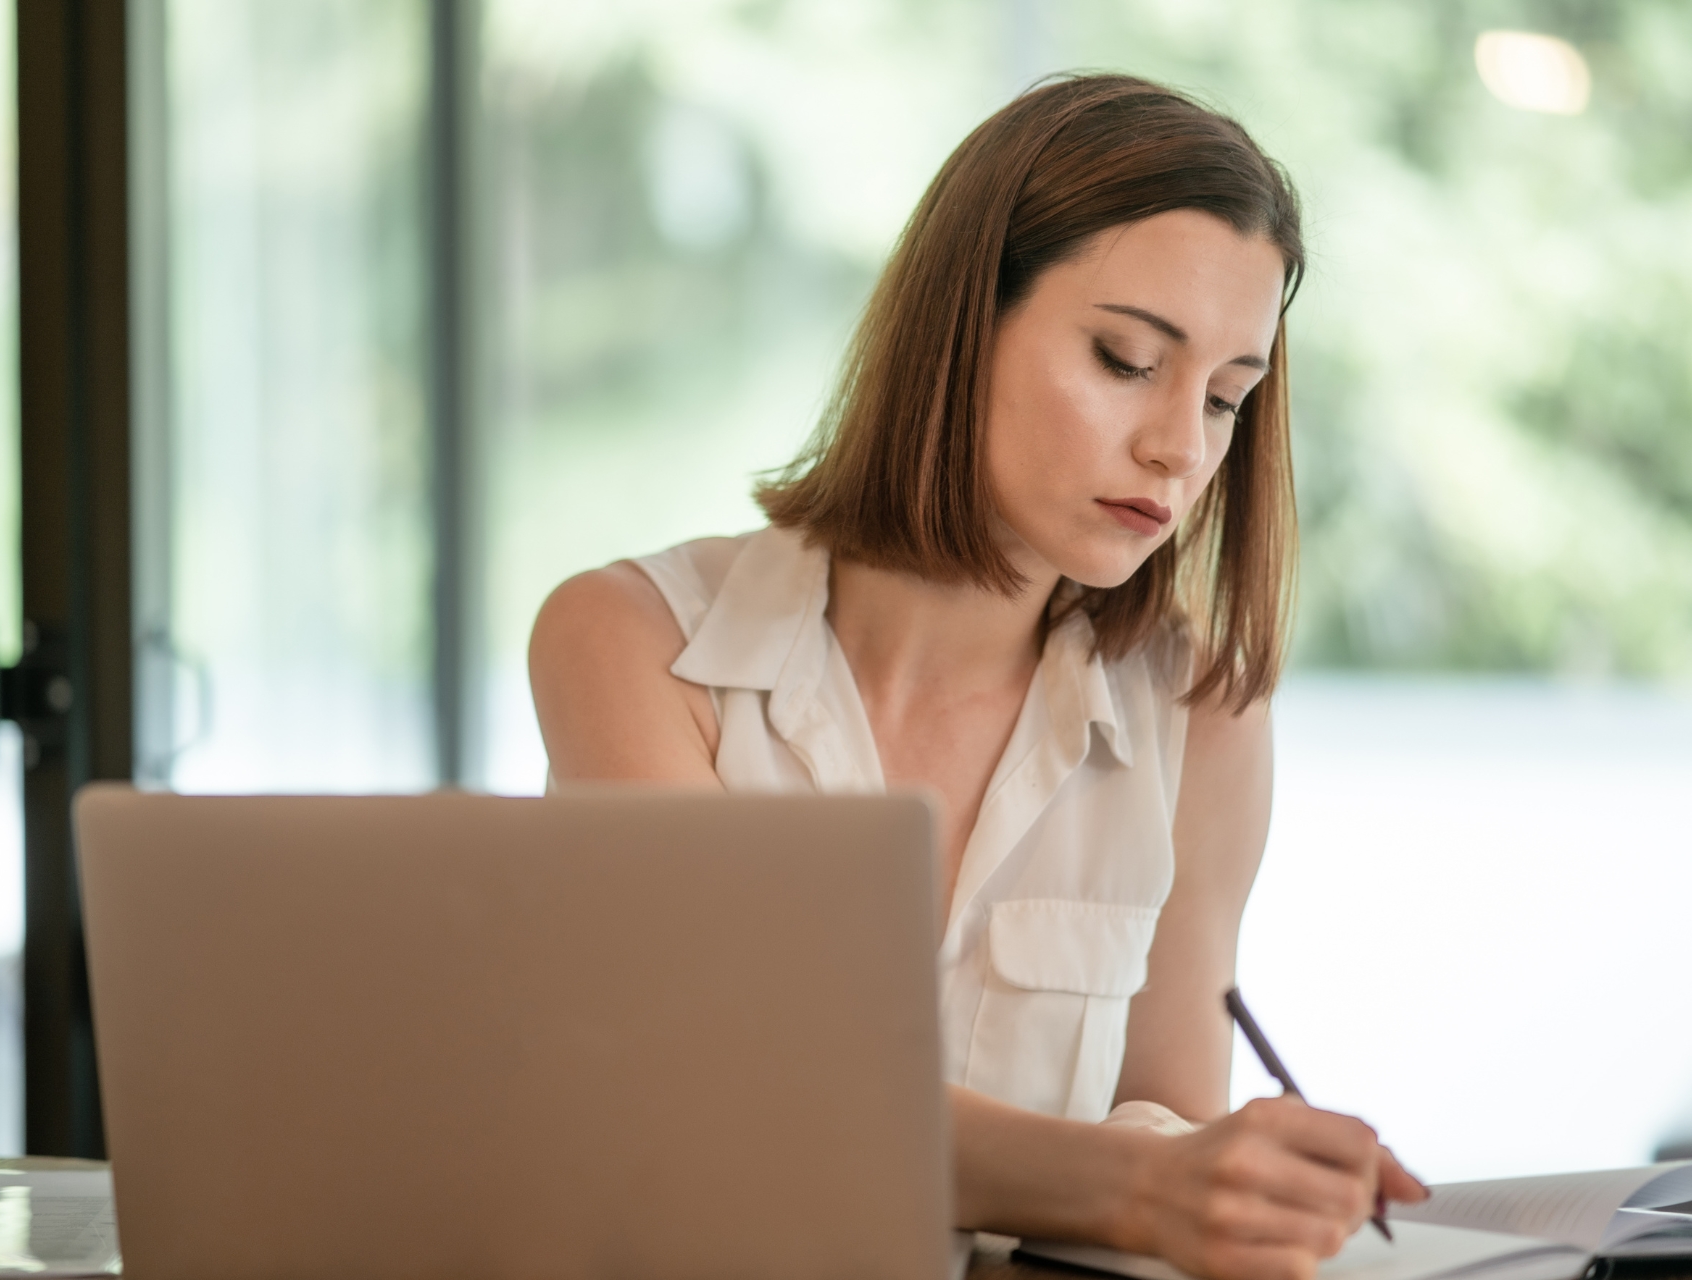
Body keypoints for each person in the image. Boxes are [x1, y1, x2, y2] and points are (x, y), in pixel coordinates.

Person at [528, 74, 1426, 1280]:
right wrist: (1153, 1180)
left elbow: (1161, 1111)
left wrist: (1233, 1185)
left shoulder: (1201, 711)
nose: (1179, 446)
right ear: (964, 324)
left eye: (1225, 398)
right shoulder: (632, 645)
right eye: (1124, 359)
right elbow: (728, 1102)